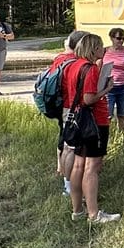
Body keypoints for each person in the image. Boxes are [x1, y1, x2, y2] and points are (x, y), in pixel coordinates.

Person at [62, 33, 120, 224]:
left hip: (78, 121)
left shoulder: (73, 65)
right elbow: (88, 99)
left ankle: (77, 210)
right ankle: (94, 214)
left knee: (79, 165)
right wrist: (107, 89)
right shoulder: (91, 69)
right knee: (92, 168)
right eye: (100, 46)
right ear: (92, 48)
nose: (102, 50)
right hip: (94, 123)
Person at [49, 30, 89, 196]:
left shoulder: (60, 58)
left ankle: (66, 182)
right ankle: (71, 186)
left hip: (61, 106)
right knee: (72, 148)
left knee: (66, 145)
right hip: (74, 109)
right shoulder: (77, 63)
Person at [103, 27, 124, 131]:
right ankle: (107, 136)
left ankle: (123, 136)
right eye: (118, 38)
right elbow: (99, 68)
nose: (121, 41)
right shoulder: (105, 51)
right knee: (107, 115)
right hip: (108, 87)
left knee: (123, 114)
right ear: (111, 38)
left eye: (123, 38)